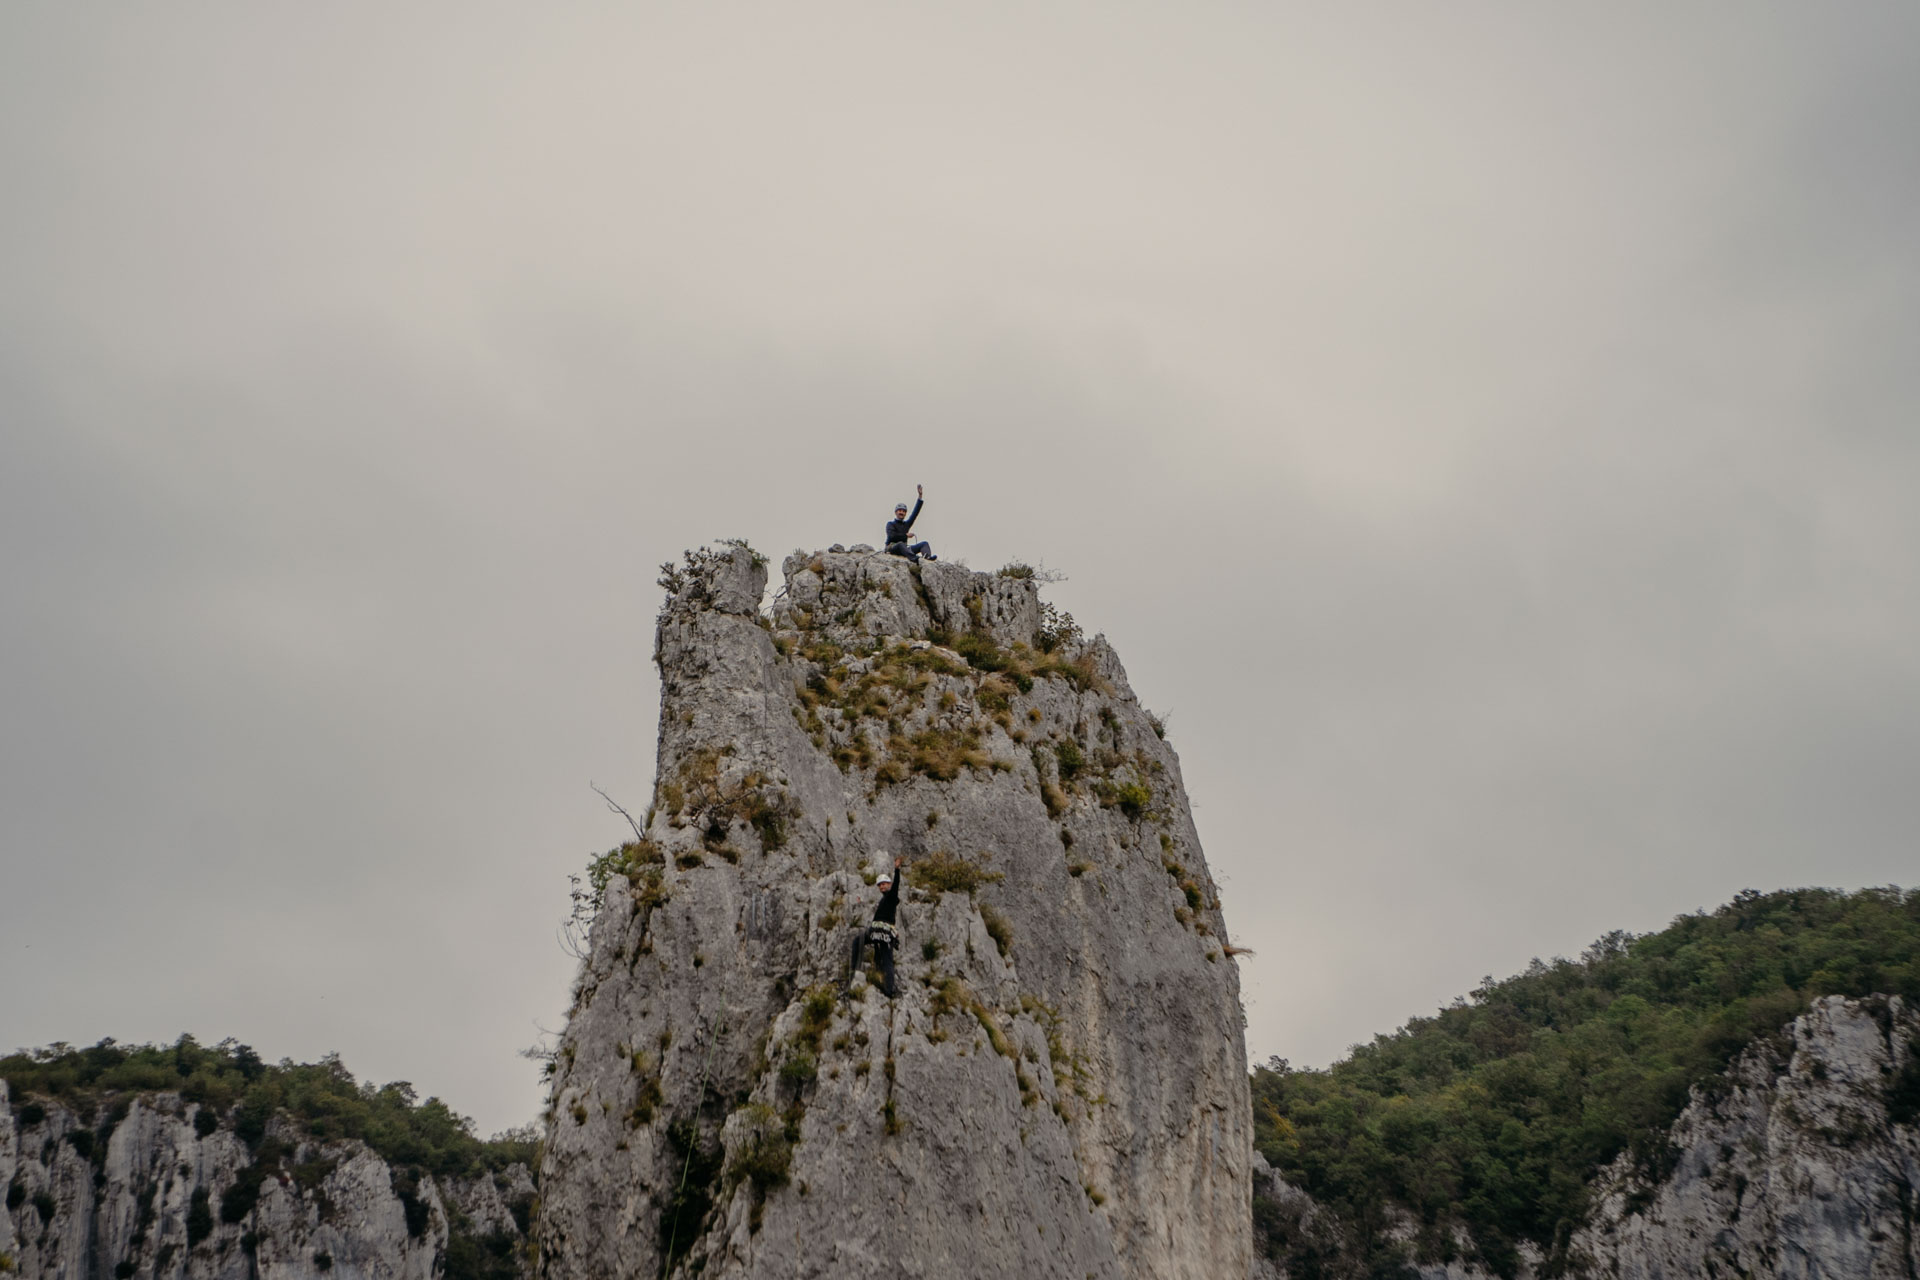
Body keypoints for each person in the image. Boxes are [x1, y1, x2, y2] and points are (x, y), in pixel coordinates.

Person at [847, 855, 905, 997]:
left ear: (889, 884)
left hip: (884, 932)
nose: (882, 886)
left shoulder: (891, 897)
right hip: (877, 930)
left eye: (884, 883)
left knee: (886, 959)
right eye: (880, 885)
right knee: (858, 941)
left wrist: (897, 870)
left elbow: (896, 886)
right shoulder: (883, 900)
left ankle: (889, 989)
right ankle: (856, 971)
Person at [885, 485, 937, 563]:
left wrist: (920, 496)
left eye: (903, 511)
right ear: (896, 512)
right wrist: (905, 536)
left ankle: (927, 557)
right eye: (899, 510)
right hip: (892, 548)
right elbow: (892, 536)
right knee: (900, 544)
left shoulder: (906, 524)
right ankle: (915, 559)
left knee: (924, 543)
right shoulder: (890, 524)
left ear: (905, 513)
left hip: (904, 549)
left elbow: (915, 513)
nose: (901, 512)